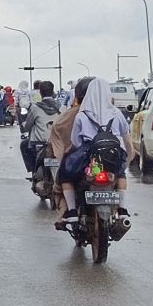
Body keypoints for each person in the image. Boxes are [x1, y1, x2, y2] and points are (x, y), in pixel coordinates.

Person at [57, 78, 134, 224]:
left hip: (90, 158)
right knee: (121, 173)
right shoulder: (117, 113)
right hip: (113, 156)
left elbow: (75, 141)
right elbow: (125, 135)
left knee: (65, 175)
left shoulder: (82, 115)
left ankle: (72, 211)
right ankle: (122, 209)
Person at [49, 77, 92, 217]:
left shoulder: (75, 114)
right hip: (109, 159)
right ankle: (121, 209)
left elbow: (60, 131)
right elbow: (125, 139)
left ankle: (69, 211)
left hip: (81, 160)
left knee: (64, 177)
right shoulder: (113, 112)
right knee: (120, 176)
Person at [21, 81, 61, 173]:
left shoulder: (35, 108)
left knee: (24, 145)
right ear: (52, 91)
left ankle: (33, 170)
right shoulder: (61, 107)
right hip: (57, 142)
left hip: (39, 142)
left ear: (40, 93)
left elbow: (27, 126)